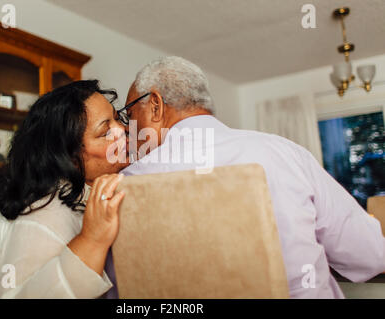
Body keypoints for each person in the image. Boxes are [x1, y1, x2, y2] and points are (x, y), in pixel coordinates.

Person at [118, 56, 385, 298]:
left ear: (155, 105)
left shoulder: (126, 184)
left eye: (129, 114)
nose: (128, 130)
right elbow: (369, 255)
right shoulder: (282, 152)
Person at [0, 80, 128, 298]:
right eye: (105, 132)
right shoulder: (42, 212)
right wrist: (92, 240)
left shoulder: (80, 193)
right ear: (70, 157)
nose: (123, 130)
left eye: (117, 119)